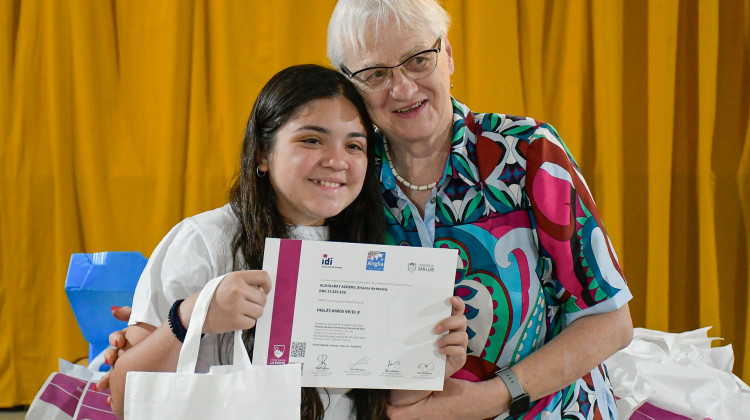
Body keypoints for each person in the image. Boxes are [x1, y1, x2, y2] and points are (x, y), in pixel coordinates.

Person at [104, 64, 469, 420]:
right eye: (312, 140)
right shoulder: (203, 240)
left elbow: (382, 402)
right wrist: (189, 316)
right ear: (262, 153)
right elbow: (124, 399)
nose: (337, 161)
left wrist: (431, 360)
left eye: (354, 146)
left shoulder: (374, 248)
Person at [326, 1, 634, 419]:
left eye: (418, 60)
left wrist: (492, 397)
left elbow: (609, 322)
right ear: (350, 86)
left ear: (447, 56)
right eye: (376, 74)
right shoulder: (348, 177)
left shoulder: (527, 153)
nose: (401, 88)